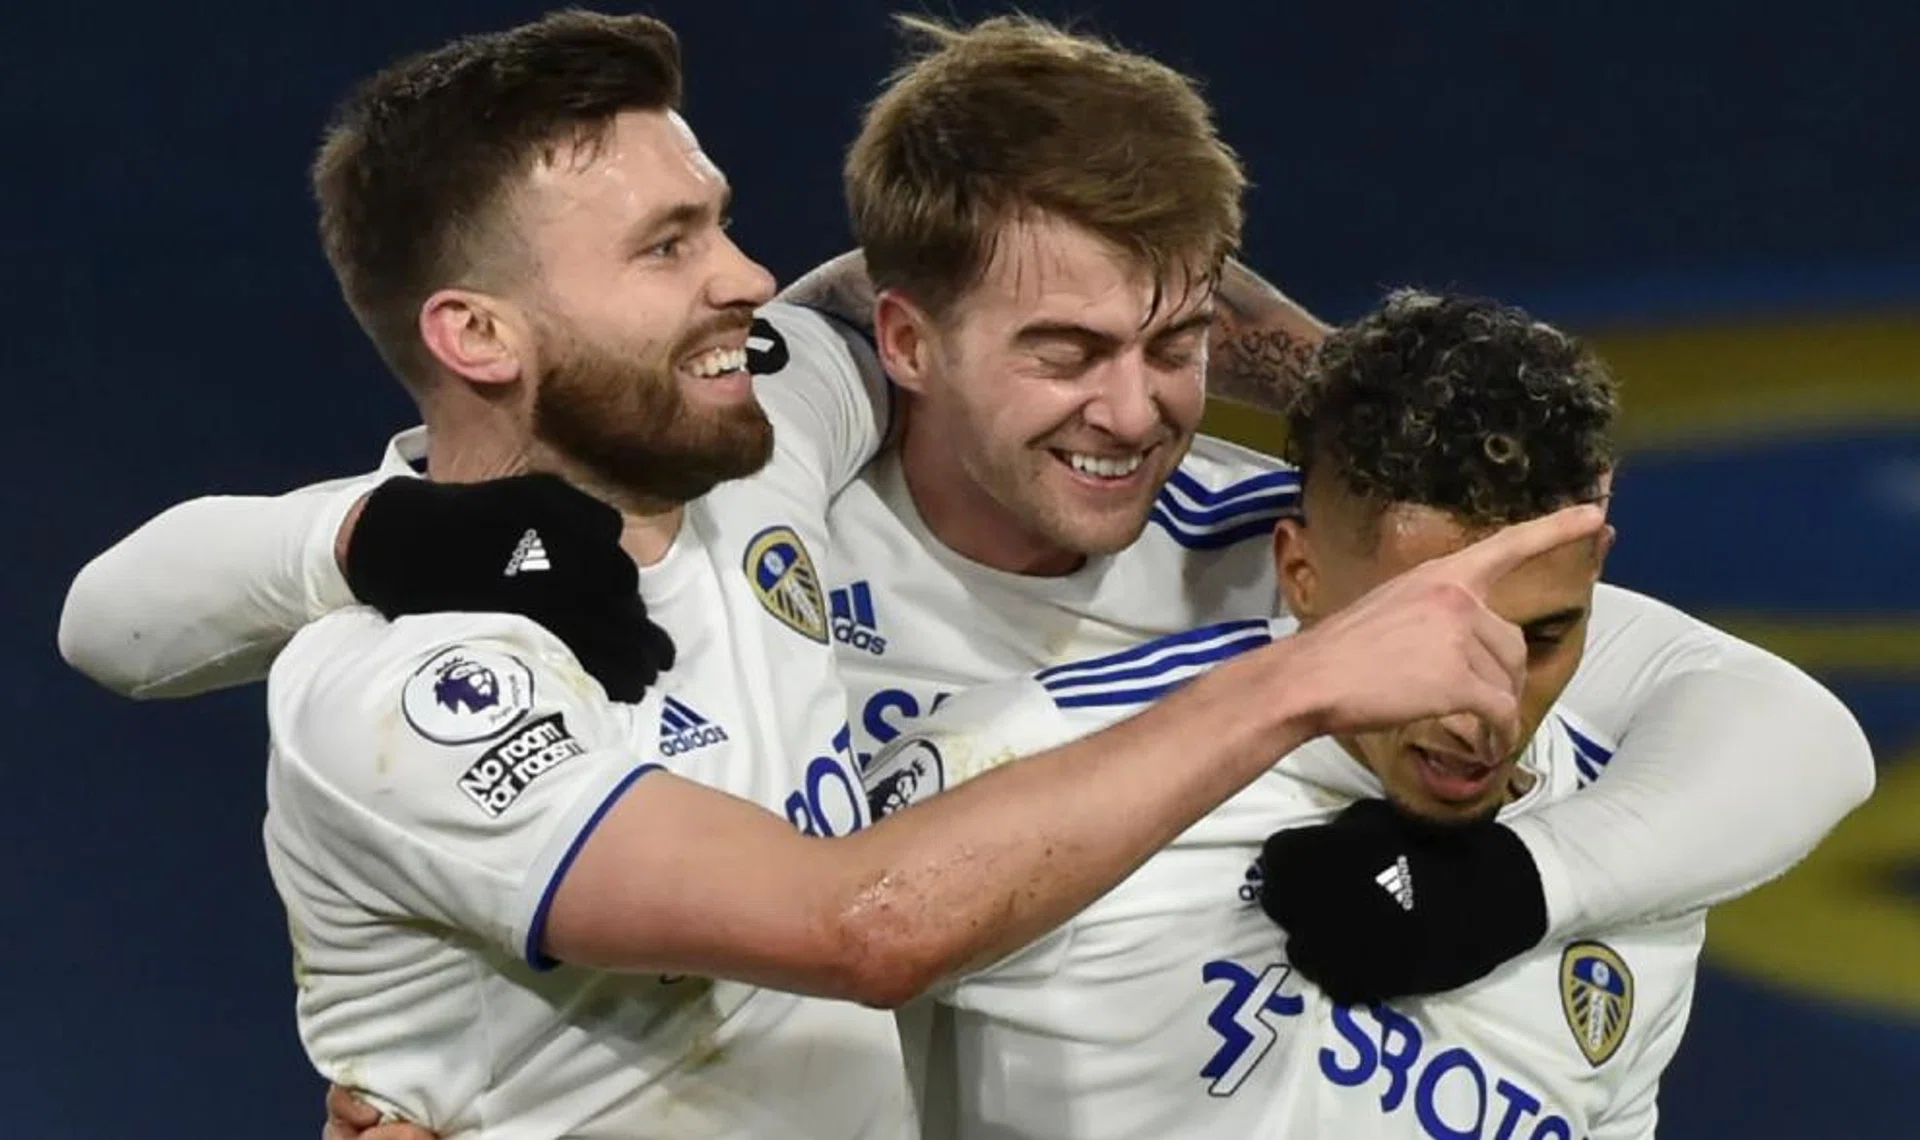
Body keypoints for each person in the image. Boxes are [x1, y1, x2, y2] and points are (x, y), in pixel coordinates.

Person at [55, 11, 1868, 1131]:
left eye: (1173, 343)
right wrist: (363, 535)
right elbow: (110, 623)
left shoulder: (1273, 544)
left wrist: (1356, 412)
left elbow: (1768, 720)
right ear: (913, 351)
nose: (1141, 408)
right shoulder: (765, 477)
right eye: (1067, 352)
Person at [844, 291, 1776, 1138]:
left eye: (1543, 637)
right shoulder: (1027, 762)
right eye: (1424, 638)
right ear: (1302, 576)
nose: (1482, 709)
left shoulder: (1634, 877)